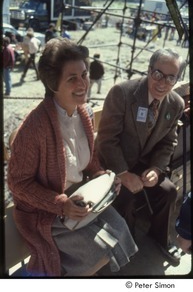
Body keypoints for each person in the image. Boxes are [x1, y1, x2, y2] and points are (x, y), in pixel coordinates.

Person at [8, 37, 138, 277]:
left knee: (120, 229)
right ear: (52, 83)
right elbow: (17, 183)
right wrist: (61, 204)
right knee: (99, 250)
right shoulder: (33, 128)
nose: (83, 83)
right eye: (72, 78)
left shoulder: (84, 113)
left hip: (79, 199)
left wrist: (103, 177)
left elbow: (89, 161)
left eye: (85, 74)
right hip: (45, 213)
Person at [96, 48, 186, 264]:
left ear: (176, 79)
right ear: (149, 70)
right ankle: (128, 247)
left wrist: (156, 169)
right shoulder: (122, 93)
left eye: (171, 77)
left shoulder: (175, 104)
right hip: (115, 165)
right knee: (126, 198)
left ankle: (159, 239)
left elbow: (168, 142)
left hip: (145, 166)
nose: (163, 83)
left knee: (169, 192)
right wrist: (123, 173)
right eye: (158, 74)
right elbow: (107, 139)